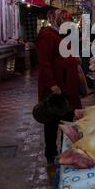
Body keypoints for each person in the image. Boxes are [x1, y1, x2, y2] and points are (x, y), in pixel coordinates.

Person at [36, 9, 82, 164]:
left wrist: (74, 60)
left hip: (67, 86)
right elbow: (44, 63)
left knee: (67, 119)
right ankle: (50, 153)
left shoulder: (60, 35)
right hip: (56, 87)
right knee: (52, 121)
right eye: (64, 20)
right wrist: (52, 84)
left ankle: (65, 149)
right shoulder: (47, 36)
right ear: (56, 20)